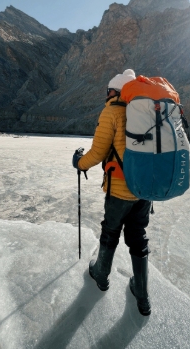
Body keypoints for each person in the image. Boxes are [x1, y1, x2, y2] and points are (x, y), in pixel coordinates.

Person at [72, 69, 153, 316]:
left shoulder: (112, 112)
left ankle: (101, 274)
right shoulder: (148, 112)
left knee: (111, 231)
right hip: (145, 188)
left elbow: (97, 153)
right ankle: (142, 294)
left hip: (119, 189)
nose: (106, 94)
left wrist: (78, 163)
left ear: (116, 91)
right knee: (138, 235)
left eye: (109, 90)